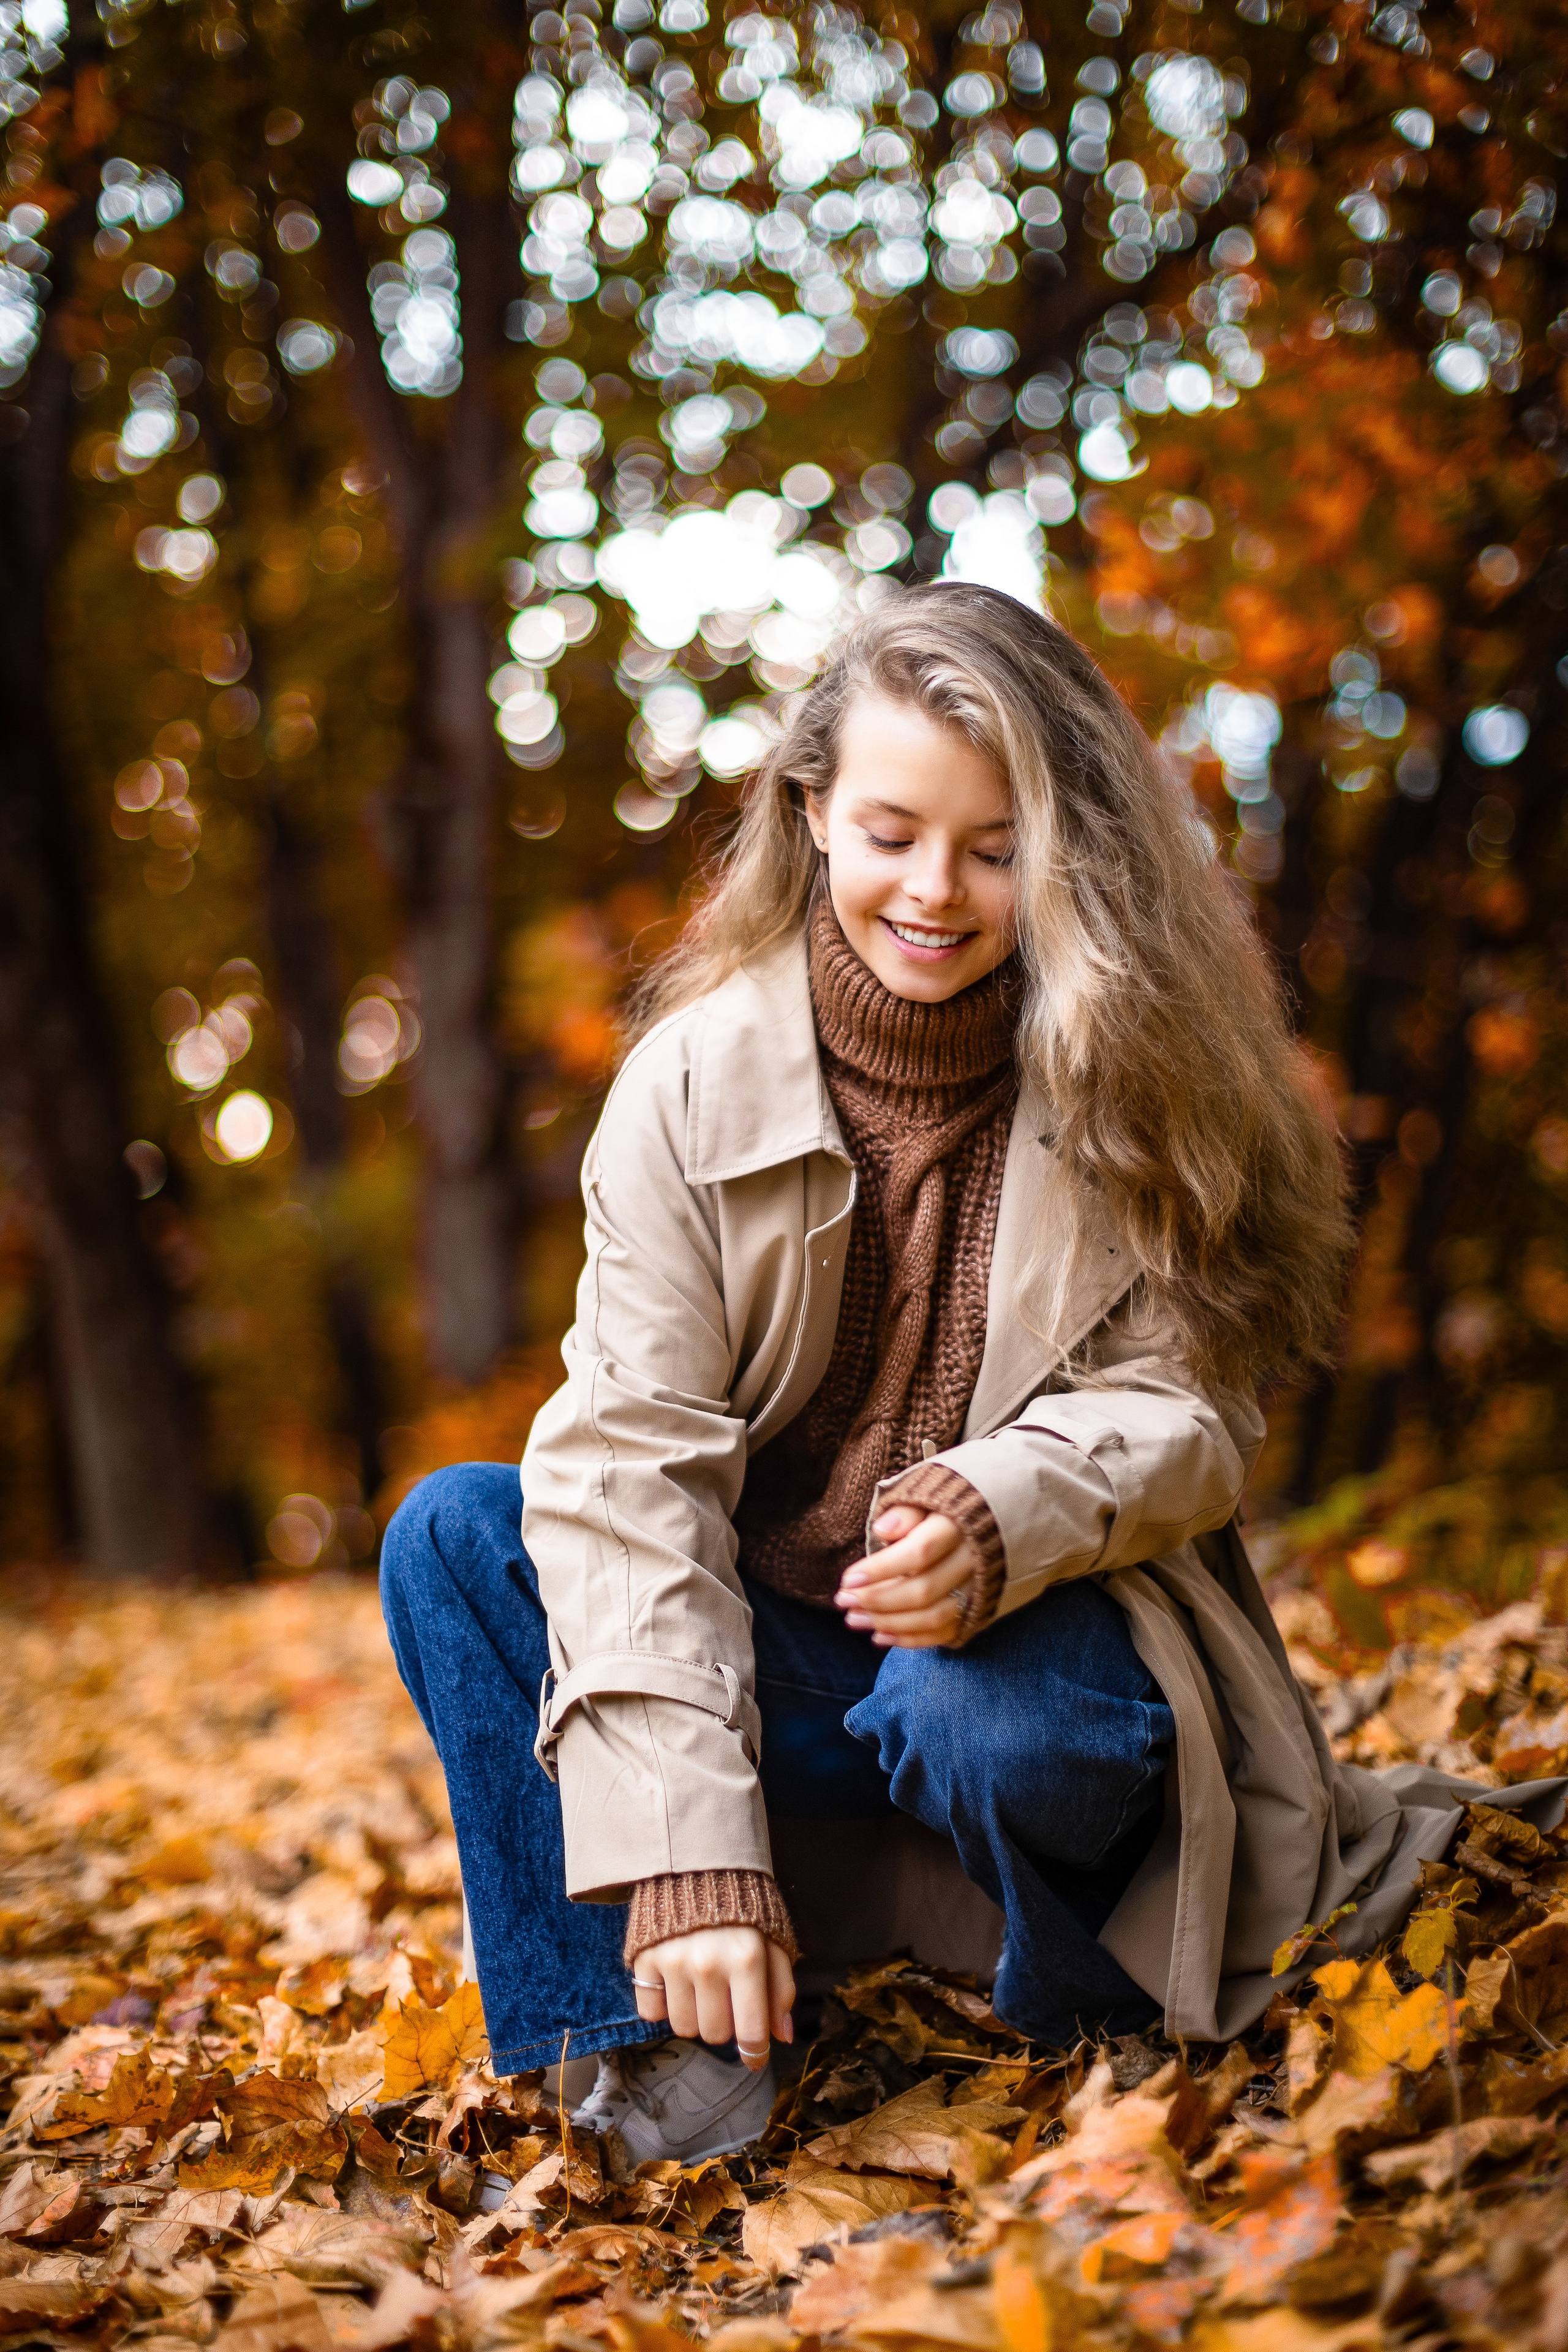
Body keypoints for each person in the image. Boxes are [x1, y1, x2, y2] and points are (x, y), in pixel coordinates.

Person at [382, 581, 1440, 2171]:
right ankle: (646, 2042)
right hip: (773, 1669)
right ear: (811, 811)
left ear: (1065, 849)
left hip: (1018, 1662)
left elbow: (1198, 1414)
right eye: (891, 832)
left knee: (991, 1720)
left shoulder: (1139, 1075)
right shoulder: (686, 1080)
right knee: (455, 1536)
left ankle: (1069, 1999)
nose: (935, 890)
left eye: (996, 848)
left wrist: (1002, 1508)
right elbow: (629, 1459)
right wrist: (683, 1851)